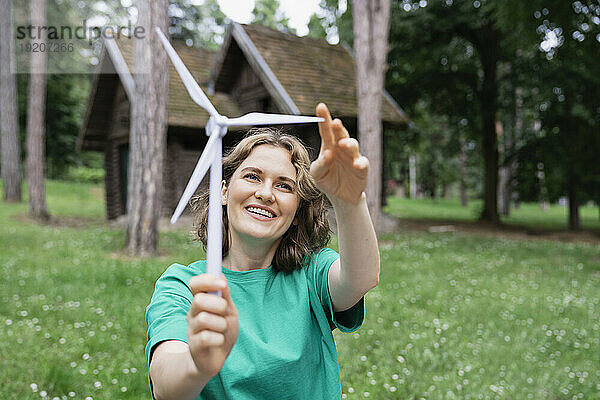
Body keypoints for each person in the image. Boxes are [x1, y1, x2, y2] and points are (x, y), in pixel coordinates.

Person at [145, 103, 380, 400]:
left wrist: (349, 201)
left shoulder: (312, 273)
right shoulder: (185, 285)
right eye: (253, 176)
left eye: (284, 186)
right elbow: (166, 385)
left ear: (296, 211)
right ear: (224, 190)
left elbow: (361, 278)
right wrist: (197, 365)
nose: (266, 194)